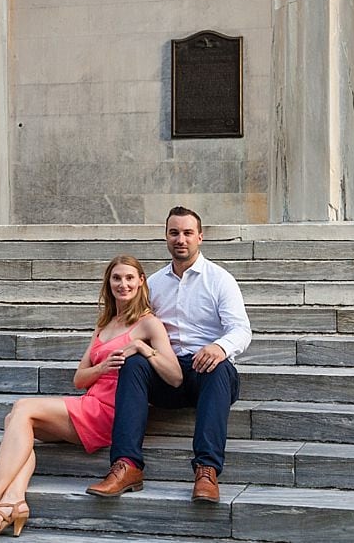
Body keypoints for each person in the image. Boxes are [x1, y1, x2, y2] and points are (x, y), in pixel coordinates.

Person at [0, 256, 182, 537]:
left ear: (141, 281)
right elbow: (79, 379)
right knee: (16, 420)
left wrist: (141, 347)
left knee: (22, 408)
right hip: (90, 403)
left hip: (114, 411)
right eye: (116, 278)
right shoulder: (104, 325)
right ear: (108, 283)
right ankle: (12, 503)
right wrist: (102, 367)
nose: (122, 284)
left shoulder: (149, 324)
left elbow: (175, 376)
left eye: (129, 278)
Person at [88, 206, 252, 504]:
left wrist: (219, 347)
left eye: (188, 233)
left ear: (200, 237)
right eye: (174, 232)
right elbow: (132, 322)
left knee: (218, 367)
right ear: (166, 236)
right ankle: (127, 466)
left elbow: (241, 330)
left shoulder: (220, 280)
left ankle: (206, 470)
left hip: (207, 373)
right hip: (167, 373)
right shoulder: (153, 284)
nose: (181, 239)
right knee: (135, 364)